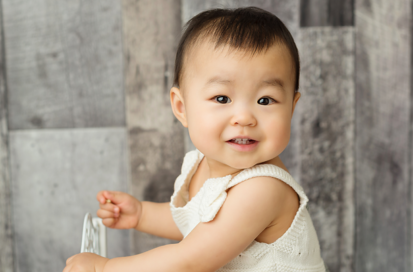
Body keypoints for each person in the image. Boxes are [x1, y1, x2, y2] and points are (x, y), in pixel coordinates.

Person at [63, 6, 325, 272]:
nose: (244, 118)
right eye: (222, 98)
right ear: (182, 107)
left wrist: (105, 268)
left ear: (291, 108)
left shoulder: (263, 189)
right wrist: (142, 214)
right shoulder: (203, 166)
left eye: (265, 100)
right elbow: (196, 222)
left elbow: (190, 260)